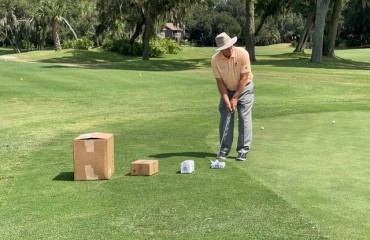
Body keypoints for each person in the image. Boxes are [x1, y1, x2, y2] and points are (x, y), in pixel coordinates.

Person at [211, 32, 254, 161]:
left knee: (243, 117)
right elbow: (220, 82)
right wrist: (226, 100)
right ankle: (224, 150)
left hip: (245, 88)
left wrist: (235, 98)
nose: (230, 48)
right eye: (226, 47)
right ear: (221, 49)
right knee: (225, 116)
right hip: (227, 89)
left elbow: (244, 78)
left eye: (230, 45)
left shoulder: (242, 54)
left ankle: (242, 150)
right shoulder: (215, 60)